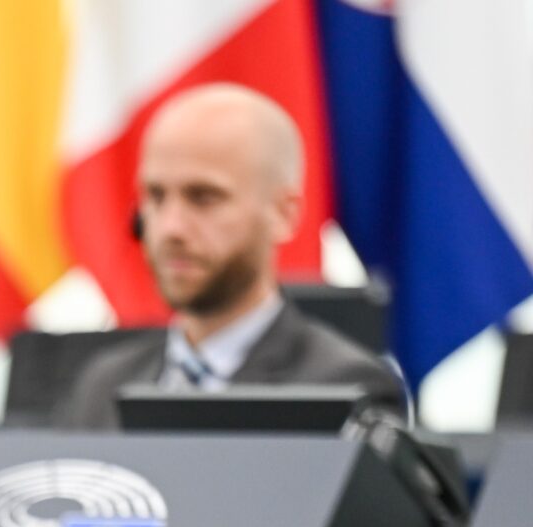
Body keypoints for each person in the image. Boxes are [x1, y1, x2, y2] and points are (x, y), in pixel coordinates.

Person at [56, 83, 405, 429]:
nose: (170, 228)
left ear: (284, 214)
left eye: (204, 197)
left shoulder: (344, 392)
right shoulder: (103, 384)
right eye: (156, 196)